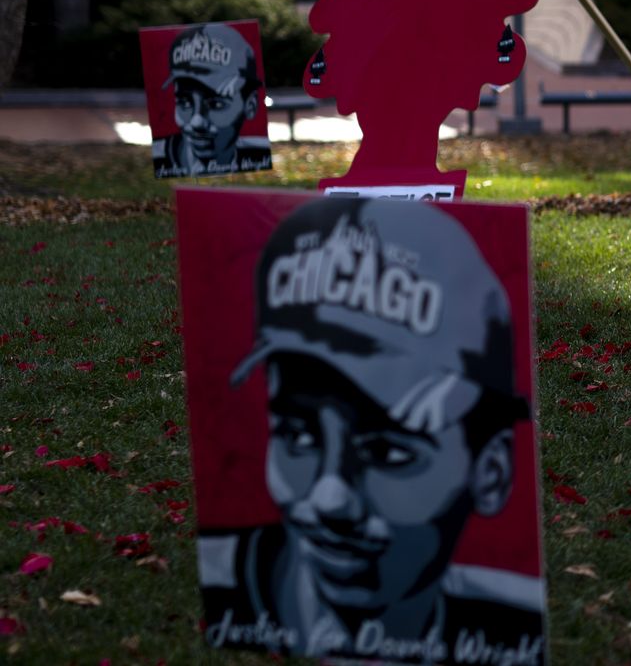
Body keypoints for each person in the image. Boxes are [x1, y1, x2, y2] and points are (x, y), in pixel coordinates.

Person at [198, 197, 545, 665]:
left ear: (491, 471)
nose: (329, 499)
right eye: (299, 437)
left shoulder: (509, 626)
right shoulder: (225, 597)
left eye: (388, 451)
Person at [152, 23, 271, 178]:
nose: (196, 122)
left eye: (216, 104)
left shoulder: (257, 155)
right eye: (185, 102)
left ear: (250, 105)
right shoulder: (162, 159)